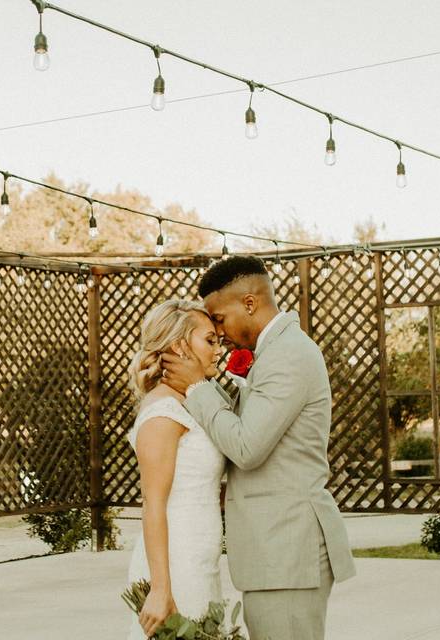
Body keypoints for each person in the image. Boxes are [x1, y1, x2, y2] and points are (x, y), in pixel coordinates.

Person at [161, 255, 356, 640]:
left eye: (219, 318)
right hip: (278, 552)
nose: (220, 331)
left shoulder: (288, 355)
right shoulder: (276, 352)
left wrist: (198, 388)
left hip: (287, 550)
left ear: (249, 303)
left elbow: (248, 446)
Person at [125, 299, 227, 638]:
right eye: (209, 340)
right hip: (176, 564)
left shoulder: (193, 401)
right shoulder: (163, 412)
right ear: (179, 346)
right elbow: (153, 503)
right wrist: (160, 589)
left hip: (200, 558)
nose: (218, 350)